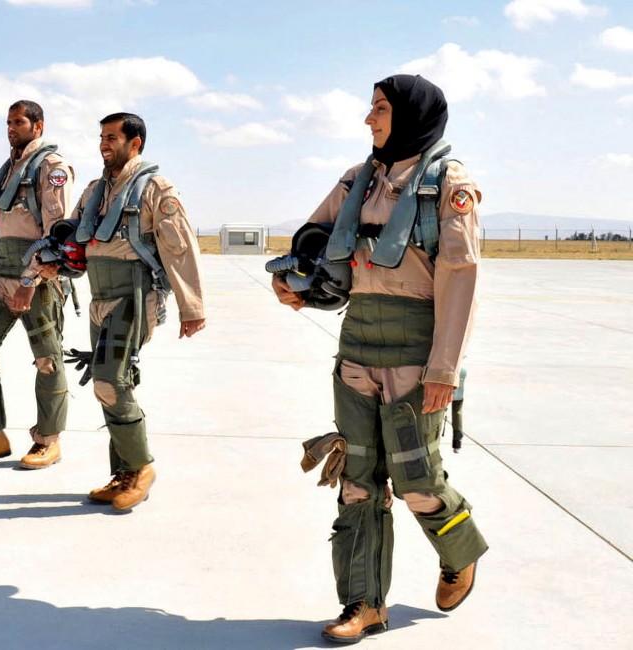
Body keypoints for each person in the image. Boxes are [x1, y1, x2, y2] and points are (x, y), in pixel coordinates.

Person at [272, 75, 488, 643]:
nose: (369, 121)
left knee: (417, 478)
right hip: (357, 344)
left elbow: (459, 279)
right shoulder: (358, 179)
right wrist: (294, 283)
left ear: (412, 115)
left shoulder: (449, 184)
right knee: (358, 481)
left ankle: (460, 550)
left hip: (418, 351)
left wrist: (445, 368)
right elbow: (313, 237)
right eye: (371, 110)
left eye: (381, 109)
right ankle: (363, 604)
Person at [72, 112, 206, 512]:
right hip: (99, 297)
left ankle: (142, 468)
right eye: (101, 136)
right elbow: (73, 236)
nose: (104, 143)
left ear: (136, 143)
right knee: (112, 384)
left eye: (112, 137)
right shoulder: (96, 189)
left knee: (109, 380)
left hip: (134, 294)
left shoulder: (154, 189)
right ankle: (124, 474)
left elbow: (180, 248)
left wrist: (191, 306)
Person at [0, 100, 74, 469]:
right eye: (8, 122)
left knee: (47, 360)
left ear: (38, 126)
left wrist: (30, 280)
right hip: (0, 271)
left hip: (34, 277)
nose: (11, 128)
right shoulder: (9, 169)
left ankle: (48, 441)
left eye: (18, 122)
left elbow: (55, 233)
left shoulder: (52, 168)